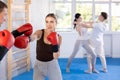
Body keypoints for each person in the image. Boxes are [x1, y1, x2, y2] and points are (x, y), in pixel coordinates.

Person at [30, 13, 62, 80]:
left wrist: (54, 43)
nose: (49, 24)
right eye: (47, 22)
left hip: (52, 65)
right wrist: (27, 39)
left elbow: (55, 56)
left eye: (51, 22)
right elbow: (33, 37)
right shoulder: (40, 32)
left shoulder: (59, 37)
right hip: (39, 65)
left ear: (56, 23)